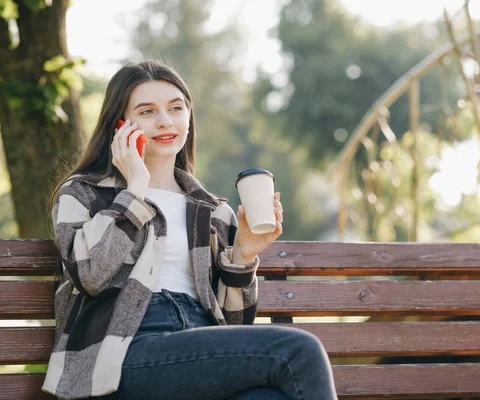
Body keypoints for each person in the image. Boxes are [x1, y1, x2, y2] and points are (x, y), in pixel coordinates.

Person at [41, 60, 338, 400]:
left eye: (175, 108)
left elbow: (234, 326)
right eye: (147, 111)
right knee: (297, 349)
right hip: (123, 356)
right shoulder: (84, 194)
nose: (165, 121)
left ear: (188, 117)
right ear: (121, 126)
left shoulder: (213, 211)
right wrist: (135, 188)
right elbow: (90, 273)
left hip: (197, 349)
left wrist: (243, 253)